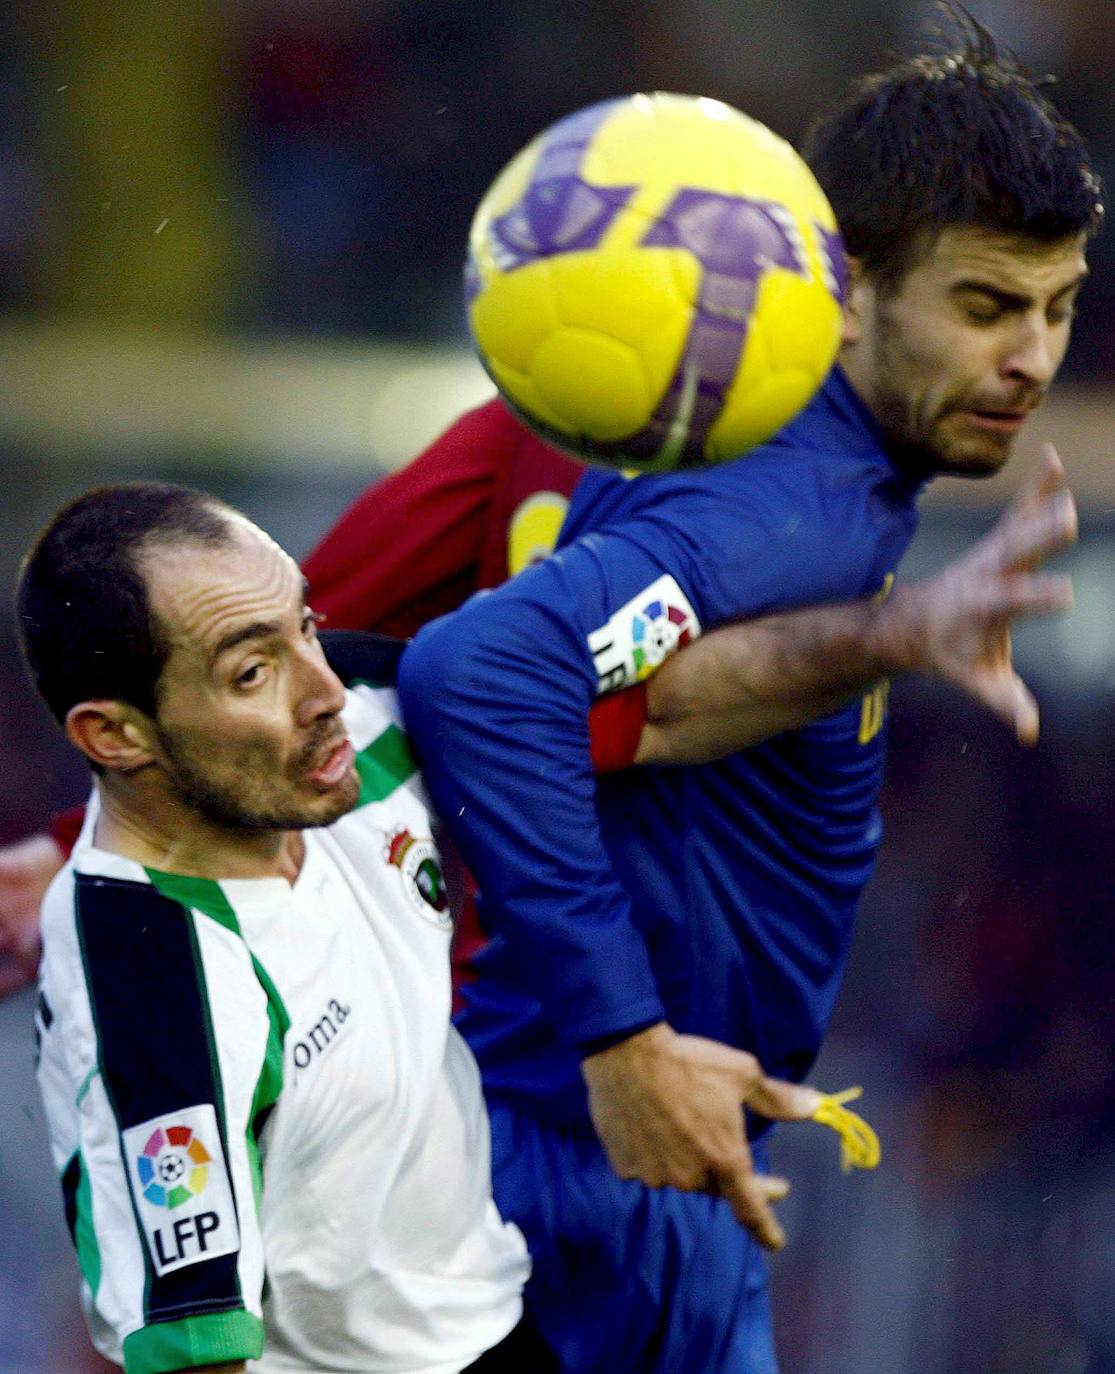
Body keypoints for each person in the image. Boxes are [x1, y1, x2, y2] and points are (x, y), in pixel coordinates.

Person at [395, 12, 1102, 1373]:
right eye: (983, 305)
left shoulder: (787, 468)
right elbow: (481, 671)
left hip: (606, 1170)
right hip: (579, 1181)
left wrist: (888, 636)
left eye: (1057, 308)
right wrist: (625, 1042)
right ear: (844, 286)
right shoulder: (798, 501)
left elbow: (638, 691)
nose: (1030, 358)